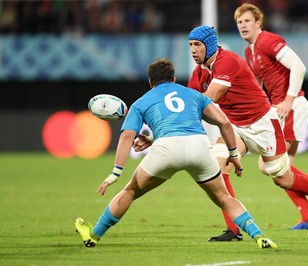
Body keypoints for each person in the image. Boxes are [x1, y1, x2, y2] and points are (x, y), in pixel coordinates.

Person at [74, 57, 277, 250]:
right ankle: (260, 236)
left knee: (130, 191)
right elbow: (223, 122)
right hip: (199, 146)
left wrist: (115, 173)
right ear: (173, 78)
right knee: (224, 198)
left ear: (150, 82)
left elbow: (127, 137)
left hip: (166, 151)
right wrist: (234, 154)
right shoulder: (193, 94)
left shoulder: (142, 101)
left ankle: (94, 235)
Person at [187, 25, 308, 241]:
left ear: (209, 44)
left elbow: (209, 98)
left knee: (283, 178)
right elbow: (188, 107)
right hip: (235, 127)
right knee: (218, 167)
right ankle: (233, 230)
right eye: (190, 45)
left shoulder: (227, 61)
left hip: (262, 123)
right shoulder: (198, 73)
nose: (193, 50)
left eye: (197, 45)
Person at [234, 3, 308, 230]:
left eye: (247, 21)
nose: (243, 26)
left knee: (270, 165)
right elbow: (257, 86)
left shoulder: (269, 40)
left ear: (258, 22)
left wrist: (288, 100)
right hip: (278, 110)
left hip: (292, 106)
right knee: (281, 169)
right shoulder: (249, 51)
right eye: (239, 22)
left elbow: (299, 67)